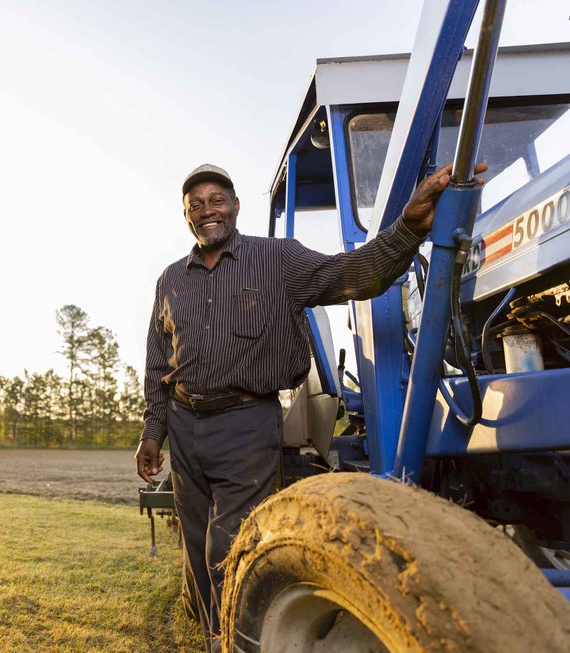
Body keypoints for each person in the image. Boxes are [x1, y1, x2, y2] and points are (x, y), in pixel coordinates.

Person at [135, 162, 485, 650]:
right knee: (195, 544)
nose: (207, 210)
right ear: (187, 216)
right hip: (183, 423)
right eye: (196, 205)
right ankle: (209, 625)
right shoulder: (171, 279)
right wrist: (153, 431)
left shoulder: (277, 260)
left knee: (229, 544)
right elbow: (157, 363)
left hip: (245, 423)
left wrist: (408, 227)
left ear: (235, 206)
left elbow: (352, 274)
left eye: (216, 200)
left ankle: (230, 641)